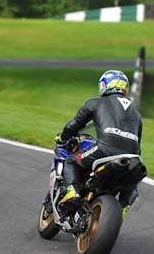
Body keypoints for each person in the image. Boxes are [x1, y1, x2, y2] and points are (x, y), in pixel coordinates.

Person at [56, 70, 142, 218]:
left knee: (71, 160)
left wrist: (63, 138)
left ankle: (72, 191)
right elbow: (137, 144)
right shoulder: (137, 114)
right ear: (124, 88)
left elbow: (74, 125)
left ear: (104, 85)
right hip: (133, 158)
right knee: (132, 182)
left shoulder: (95, 102)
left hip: (105, 149)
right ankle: (123, 206)